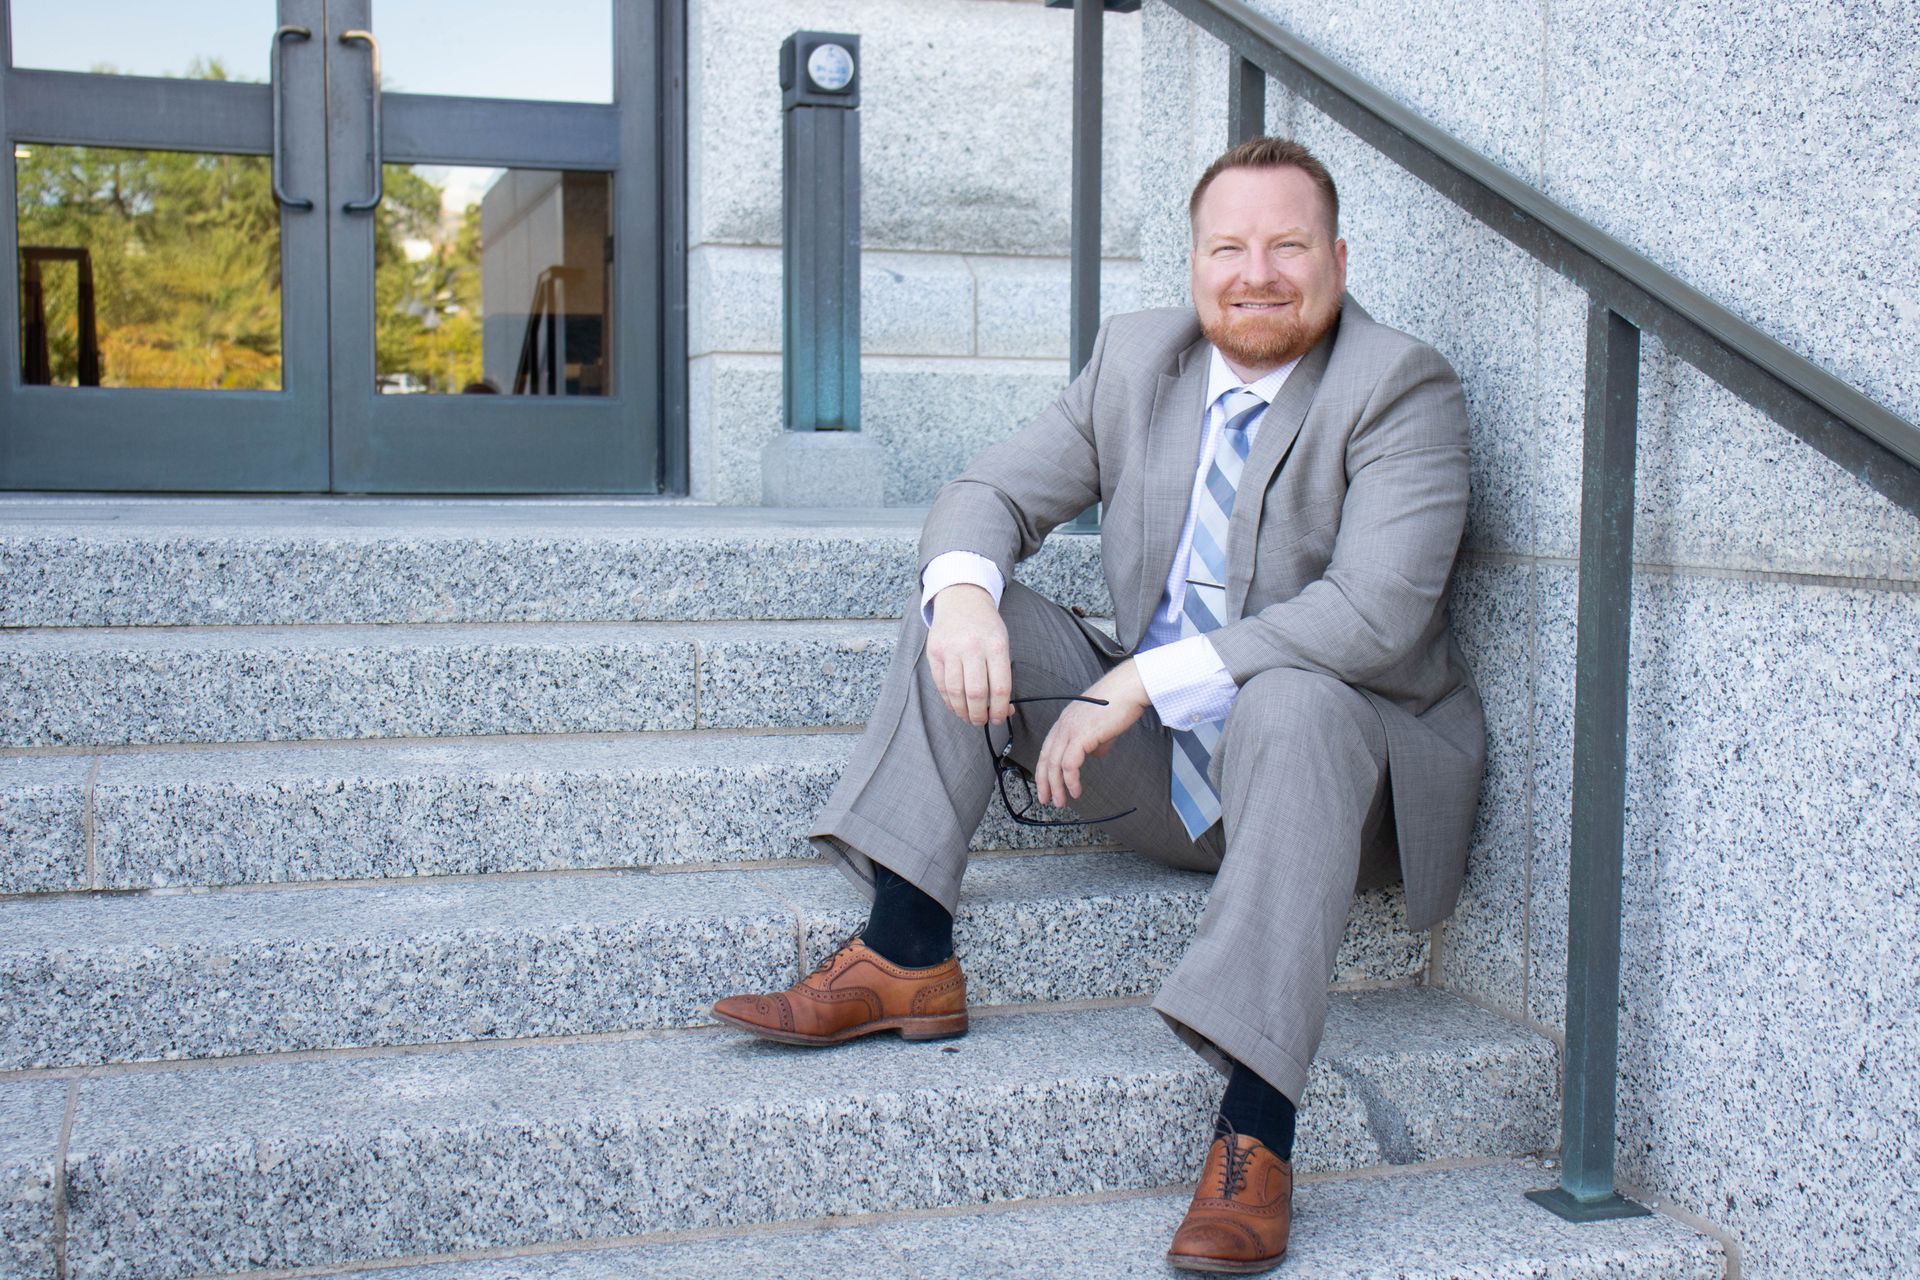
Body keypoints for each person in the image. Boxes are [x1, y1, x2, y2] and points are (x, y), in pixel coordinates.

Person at [712, 136, 1484, 1274]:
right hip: (1160, 771)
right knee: (962, 603)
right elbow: (988, 491)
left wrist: (1138, 676)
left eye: (1288, 245)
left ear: (1339, 257)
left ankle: (1257, 1127)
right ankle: (907, 949)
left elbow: (1373, 614)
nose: (1256, 272)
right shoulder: (1140, 360)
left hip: (1332, 785)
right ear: (1193, 263)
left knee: (1295, 703)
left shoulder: (1400, 386)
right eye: (1229, 246)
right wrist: (967, 598)